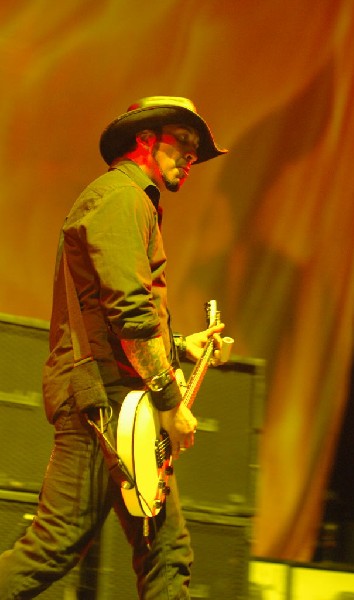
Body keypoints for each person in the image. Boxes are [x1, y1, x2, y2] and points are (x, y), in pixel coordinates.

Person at [0, 96, 228, 599]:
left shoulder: (130, 201)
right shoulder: (120, 199)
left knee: (167, 552)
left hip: (121, 401)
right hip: (104, 403)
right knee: (55, 547)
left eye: (195, 150)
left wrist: (181, 345)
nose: (190, 157)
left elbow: (121, 314)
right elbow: (129, 311)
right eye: (183, 143)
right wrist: (171, 402)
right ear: (144, 140)